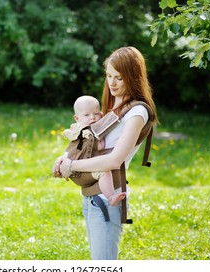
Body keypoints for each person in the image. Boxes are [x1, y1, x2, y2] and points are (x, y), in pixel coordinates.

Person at [52, 46, 158, 260]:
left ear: (133, 77)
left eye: (119, 77)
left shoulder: (136, 112)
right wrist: (64, 158)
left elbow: (115, 159)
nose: (112, 83)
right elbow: (88, 146)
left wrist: (71, 167)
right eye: (109, 76)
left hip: (107, 199)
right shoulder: (111, 109)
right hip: (92, 197)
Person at [63, 95, 126, 206]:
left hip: (82, 168)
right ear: (77, 118)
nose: (92, 117)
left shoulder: (90, 129)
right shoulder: (82, 131)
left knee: (103, 171)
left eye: (96, 114)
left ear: (101, 114)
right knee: (104, 171)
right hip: (79, 171)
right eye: (87, 115)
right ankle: (111, 196)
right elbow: (73, 149)